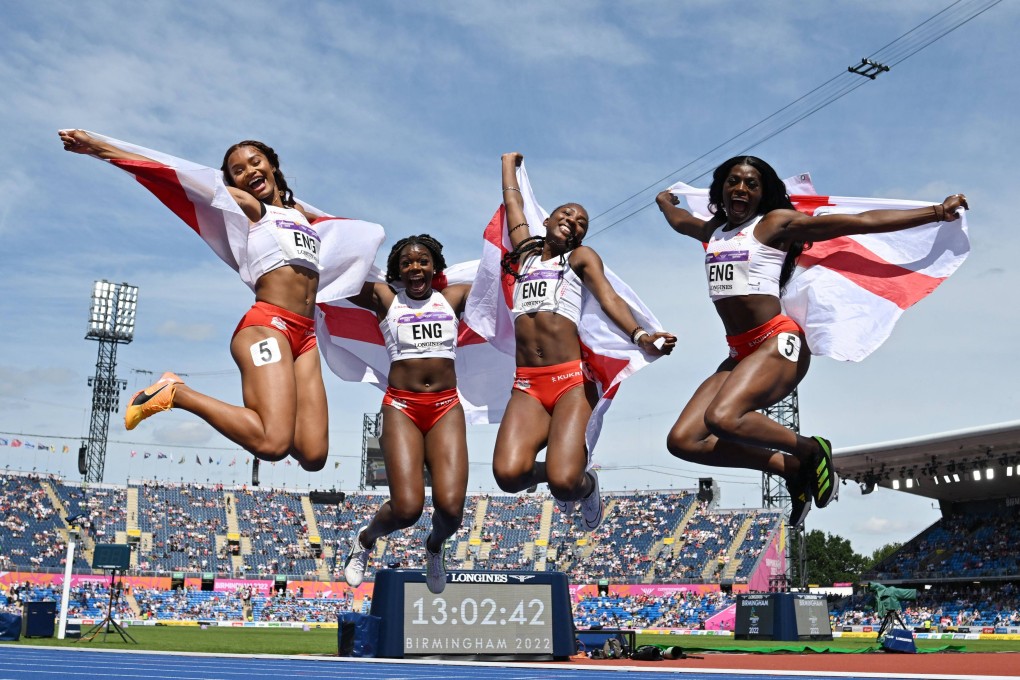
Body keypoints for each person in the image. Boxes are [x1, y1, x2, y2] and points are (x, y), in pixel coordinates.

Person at [655, 155, 968, 526]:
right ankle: (788, 467)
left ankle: (810, 449)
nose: (741, 189)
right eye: (733, 181)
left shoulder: (774, 224)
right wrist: (663, 202)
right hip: (739, 352)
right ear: (722, 188)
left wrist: (936, 212)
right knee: (683, 441)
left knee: (723, 418)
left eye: (752, 184)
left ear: (763, 193)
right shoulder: (715, 232)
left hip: (777, 342)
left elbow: (857, 223)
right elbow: (680, 222)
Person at [59, 130, 330, 471]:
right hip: (267, 328)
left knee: (314, 454)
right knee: (273, 443)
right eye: (238, 170)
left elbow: (351, 243)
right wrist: (100, 149)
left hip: (305, 337)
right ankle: (175, 392)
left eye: (255, 162)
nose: (249, 171)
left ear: (273, 166)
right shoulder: (248, 207)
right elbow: (176, 176)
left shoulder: (303, 216)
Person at [494, 152, 676, 531]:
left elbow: (609, 297)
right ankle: (572, 473)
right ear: (546, 220)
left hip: (570, 382)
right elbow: (514, 203)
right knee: (509, 476)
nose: (573, 222)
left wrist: (641, 336)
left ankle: (586, 483)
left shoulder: (579, 258)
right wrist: (509, 164)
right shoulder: (523, 256)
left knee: (565, 483)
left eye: (581, 223)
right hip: (527, 383)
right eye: (567, 215)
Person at [341, 235, 471, 594]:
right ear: (397, 271)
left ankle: (434, 547)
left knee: (451, 511)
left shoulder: (454, 297)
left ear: (435, 267)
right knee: (407, 508)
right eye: (407, 263)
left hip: (445, 406)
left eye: (423, 261)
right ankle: (365, 540)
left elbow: (506, 291)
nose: (415, 268)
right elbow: (333, 276)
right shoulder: (386, 299)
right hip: (402, 406)